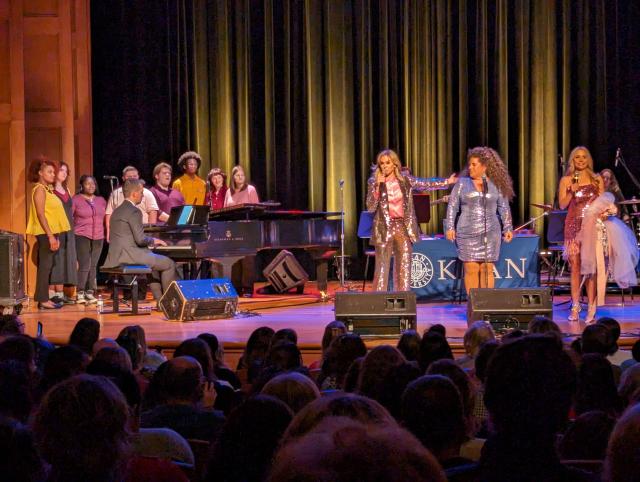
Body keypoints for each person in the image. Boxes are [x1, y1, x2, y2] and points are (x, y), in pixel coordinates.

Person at [366, 149, 457, 291]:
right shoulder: (373, 182)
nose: (384, 166)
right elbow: (371, 207)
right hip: (384, 228)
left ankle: (402, 300)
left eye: (388, 163)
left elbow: (425, 184)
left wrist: (447, 182)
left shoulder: (405, 179)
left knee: (404, 267)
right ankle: (379, 302)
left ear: (395, 164)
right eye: (382, 163)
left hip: (402, 227)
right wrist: (377, 186)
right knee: (382, 268)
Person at [445, 147, 514, 294]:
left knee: (487, 268)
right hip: (466, 231)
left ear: (485, 166)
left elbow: (504, 207)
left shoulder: (496, 184)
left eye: (474, 164)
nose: (470, 167)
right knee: (471, 268)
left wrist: (508, 227)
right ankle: (473, 306)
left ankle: (486, 304)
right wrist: (450, 227)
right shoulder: (462, 183)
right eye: (469, 164)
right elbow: (452, 206)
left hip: (491, 232)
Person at [102, 179, 177, 302]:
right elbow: (140, 240)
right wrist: (154, 240)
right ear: (134, 194)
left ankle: (160, 301)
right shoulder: (134, 211)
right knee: (168, 264)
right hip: (130, 256)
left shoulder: (116, 211)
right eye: (141, 192)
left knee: (154, 265)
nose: (142, 195)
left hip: (115, 257)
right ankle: (168, 302)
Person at [575, 190, 639, 323]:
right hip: (584, 233)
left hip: (600, 234)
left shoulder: (604, 200)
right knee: (588, 272)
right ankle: (584, 306)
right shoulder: (581, 200)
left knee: (598, 270)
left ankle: (593, 308)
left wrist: (604, 213)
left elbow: (612, 210)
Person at [558, 146, 604, 322]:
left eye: (584, 157)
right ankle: (576, 306)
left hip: (591, 227)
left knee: (590, 268)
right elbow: (562, 205)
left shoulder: (596, 179)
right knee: (575, 267)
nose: (581, 160)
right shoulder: (566, 180)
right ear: (573, 160)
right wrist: (571, 190)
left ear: (588, 159)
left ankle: (591, 308)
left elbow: (602, 201)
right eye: (577, 157)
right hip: (573, 226)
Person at [26, 158, 70, 309]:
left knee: (48, 265)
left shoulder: (47, 189)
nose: (53, 175)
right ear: (40, 173)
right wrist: (50, 235)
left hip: (51, 232)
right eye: (49, 172)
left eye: (53, 172)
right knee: (45, 266)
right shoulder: (39, 189)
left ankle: (43, 298)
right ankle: (42, 299)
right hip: (45, 233)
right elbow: (40, 214)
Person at [72, 175, 106, 304]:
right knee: (85, 264)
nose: (91, 186)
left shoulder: (101, 200)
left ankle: (90, 291)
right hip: (81, 235)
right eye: (87, 183)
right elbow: (70, 217)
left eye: (93, 183)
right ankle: (80, 292)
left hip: (98, 235)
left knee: (93, 265)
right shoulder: (76, 199)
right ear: (82, 186)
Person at [105, 166, 158, 241]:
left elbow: (153, 212)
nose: (132, 178)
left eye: (135, 176)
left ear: (138, 177)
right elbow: (109, 213)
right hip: (121, 233)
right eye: (129, 176)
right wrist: (109, 232)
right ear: (123, 178)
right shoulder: (115, 194)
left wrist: (151, 233)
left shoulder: (147, 193)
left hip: (142, 232)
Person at [50, 160, 78, 304]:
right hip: (56, 229)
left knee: (66, 259)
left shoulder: (67, 190)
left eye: (66, 171)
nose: (64, 173)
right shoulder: (50, 190)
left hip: (68, 229)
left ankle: (61, 293)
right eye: (61, 170)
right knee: (56, 260)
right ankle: (52, 293)